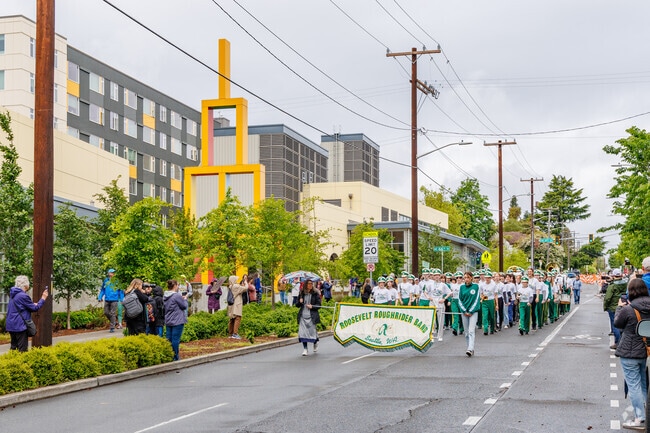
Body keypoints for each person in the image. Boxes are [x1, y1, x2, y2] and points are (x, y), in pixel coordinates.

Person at [614, 278, 650, 430]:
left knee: (633, 386)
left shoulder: (628, 309)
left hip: (629, 352)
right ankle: (647, 414)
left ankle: (640, 418)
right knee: (643, 384)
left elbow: (617, 323)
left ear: (631, 292)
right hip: (646, 350)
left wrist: (619, 308)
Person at [6, 275, 48, 352]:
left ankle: (11, 362)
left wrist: (31, 304)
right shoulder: (23, 296)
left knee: (14, 347)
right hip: (20, 326)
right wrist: (43, 298)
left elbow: (20, 307)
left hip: (11, 325)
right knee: (22, 350)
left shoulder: (13, 294)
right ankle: (21, 363)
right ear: (25, 285)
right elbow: (35, 308)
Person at [162, 279, 188, 361]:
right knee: (175, 340)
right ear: (175, 286)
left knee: (169, 339)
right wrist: (184, 299)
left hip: (168, 320)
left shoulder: (165, 296)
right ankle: (175, 356)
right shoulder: (176, 296)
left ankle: (169, 355)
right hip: (177, 320)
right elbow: (184, 306)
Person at [296, 278, 321, 356]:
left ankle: (315, 342)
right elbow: (297, 305)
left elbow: (319, 305)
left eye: (311, 283)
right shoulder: (301, 293)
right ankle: (305, 349)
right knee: (303, 333)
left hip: (311, 316)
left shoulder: (315, 293)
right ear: (305, 285)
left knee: (312, 332)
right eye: (309, 283)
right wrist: (299, 302)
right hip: (303, 316)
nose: (310, 285)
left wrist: (312, 306)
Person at [604, 269, 628, 349]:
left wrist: (605, 306)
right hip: (624, 305)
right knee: (623, 325)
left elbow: (608, 298)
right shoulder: (626, 283)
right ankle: (623, 341)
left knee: (615, 325)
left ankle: (618, 342)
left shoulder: (612, 286)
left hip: (613, 307)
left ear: (613, 276)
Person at [458, 271, 480, 357]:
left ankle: (470, 348)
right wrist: (464, 311)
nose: (466, 279)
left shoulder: (476, 286)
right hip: (464, 312)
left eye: (467, 277)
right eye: (465, 278)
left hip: (473, 312)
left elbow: (476, 300)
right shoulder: (462, 287)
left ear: (471, 278)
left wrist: (471, 311)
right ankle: (469, 347)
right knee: (466, 332)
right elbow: (460, 300)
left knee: (471, 331)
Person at [97, 268, 123, 333]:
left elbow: (120, 291)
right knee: (106, 312)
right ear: (108, 273)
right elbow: (102, 290)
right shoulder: (106, 281)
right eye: (111, 273)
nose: (112, 274)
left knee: (112, 313)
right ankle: (114, 321)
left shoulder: (117, 281)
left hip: (114, 299)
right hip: (107, 299)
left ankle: (112, 327)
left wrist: (122, 299)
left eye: (113, 273)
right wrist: (100, 297)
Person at [227, 275, 246, 339]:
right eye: (236, 279)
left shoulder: (230, 286)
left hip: (232, 305)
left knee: (232, 319)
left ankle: (231, 333)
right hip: (237, 305)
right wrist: (245, 282)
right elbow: (245, 288)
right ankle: (235, 334)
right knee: (238, 318)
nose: (237, 281)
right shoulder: (235, 286)